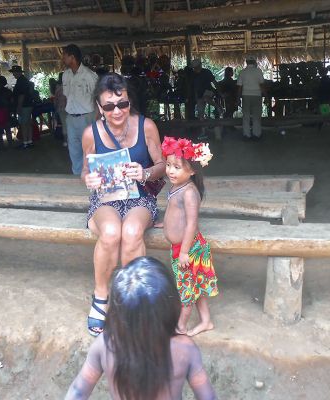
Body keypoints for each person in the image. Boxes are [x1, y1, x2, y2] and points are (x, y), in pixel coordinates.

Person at [65, 256, 218, 400]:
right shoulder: (184, 349)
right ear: (171, 306)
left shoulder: (105, 344)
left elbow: (78, 392)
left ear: (117, 312)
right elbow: (208, 397)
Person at [82, 72, 165, 336]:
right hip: (105, 198)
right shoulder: (90, 133)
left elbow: (163, 165)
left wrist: (145, 173)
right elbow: (85, 170)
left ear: (130, 102)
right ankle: (102, 296)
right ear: (99, 107)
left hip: (140, 197)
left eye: (123, 104)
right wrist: (89, 178)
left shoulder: (146, 126)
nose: (117, 111)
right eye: (109, 106)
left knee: (130, 232)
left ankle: (132, 300)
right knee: (110, 233)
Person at [161, 136, 219, 336]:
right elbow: (175, 213)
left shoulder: (189, 192)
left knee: (187, 293)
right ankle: (206, 321)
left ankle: (180, 328)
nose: (170, 170)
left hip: (189, 250)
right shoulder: (176, 186)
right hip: (181, 249)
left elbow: (192, 223)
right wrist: (165, 224)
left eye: (177, 167)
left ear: (192, 170)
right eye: (168, 165)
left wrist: (184, 251)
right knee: (195, 288)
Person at [62, 44, 98, 175]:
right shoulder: (65, 75)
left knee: (90, 148)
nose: (63, 59)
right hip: (71, 118)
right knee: (74, 149)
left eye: (64, 56)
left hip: (87, 117)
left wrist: (97, 118)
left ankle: (93, 175)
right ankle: (77, 176)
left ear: (72, 57)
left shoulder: (89, 75)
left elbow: (97, 97)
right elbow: (66, 96)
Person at [237, 55, 265, 140]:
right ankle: (256, 134)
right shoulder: (258, 71)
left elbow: (239, 87)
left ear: (246, 62)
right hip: (257, 95)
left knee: (246, 116)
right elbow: (261, 85)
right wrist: (266, 95)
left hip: (245, 95)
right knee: (256, 116)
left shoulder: (242, 72)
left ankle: (246, 135)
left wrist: (238, 97)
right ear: (254, 62)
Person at [9, 65, 34, 149]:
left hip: (24, 105)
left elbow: (21, 95)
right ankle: (29, 141)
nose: (13, 74)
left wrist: (19, 106)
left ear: (18, 72)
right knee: (27, 123)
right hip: (28, 104)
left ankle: (25, 143)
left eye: (14, 72)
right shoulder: (24, 80)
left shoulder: (21, 81)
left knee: (23, 124)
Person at [54, 72, 68, 146]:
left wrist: (56, 108)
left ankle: (66, 141)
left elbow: (56, 100)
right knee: (70, 125)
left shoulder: (58, 88)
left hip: (61, 109)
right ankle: (71, 140)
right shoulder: (70, 86)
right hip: (70, 109)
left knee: (64, 125)